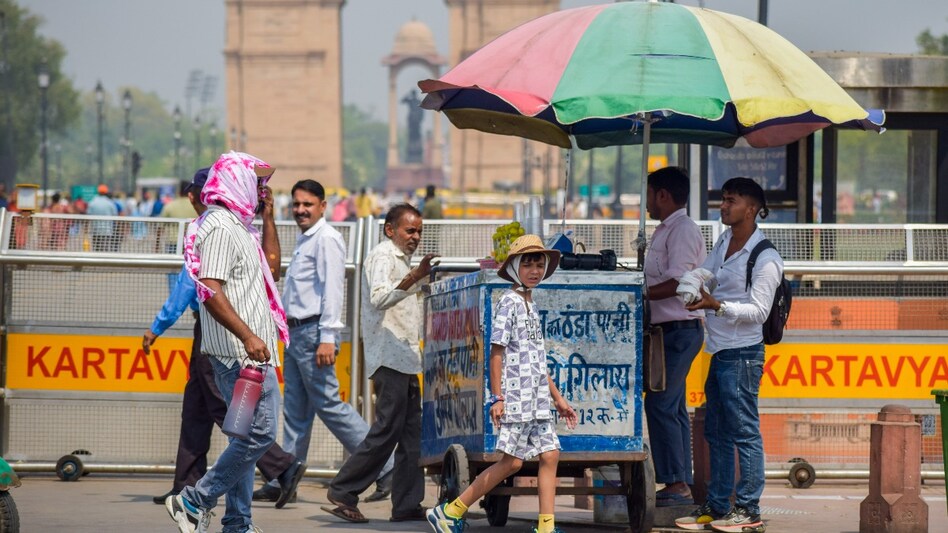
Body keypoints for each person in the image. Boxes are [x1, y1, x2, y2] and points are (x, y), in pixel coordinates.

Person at [147, 168, 305, 510]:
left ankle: (223, 509)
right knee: (246, 428)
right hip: (234, 344)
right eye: (257, 184)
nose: (262, 190)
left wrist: (268, 217)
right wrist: (247, 335)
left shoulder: (242, 229)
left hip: (244, 346)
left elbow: (273, 269)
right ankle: (195, 496)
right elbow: (203, 287)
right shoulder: (217, 228)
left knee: (220, 421)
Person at [253, 179, 394, 503]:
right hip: (296, 334)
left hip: (314, 333)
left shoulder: (327, 239)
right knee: (296, 412)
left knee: (330, 406)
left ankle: (386, 465)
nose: (301, 210)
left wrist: (328, 338)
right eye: (297, 204)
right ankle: (283, 476)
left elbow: (333, 290)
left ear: (323, 207)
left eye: (308, 204)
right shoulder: (306, 238)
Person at [427, 235, 578, 533]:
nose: (534, 271)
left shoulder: (530, 303)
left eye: (539, 264)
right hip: (516, 396)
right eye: (528, 264)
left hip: (537, 399)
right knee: (512, 464)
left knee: (550, 455)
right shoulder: (508, 302)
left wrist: (558, 399)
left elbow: (537, 360)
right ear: (514, 269)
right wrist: (497, 398)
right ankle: (450, 511)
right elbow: (496, 353)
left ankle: (546, 528)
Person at [674, 177, 782, 533]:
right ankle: (718, 506)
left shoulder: (765, 257)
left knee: (744, 432)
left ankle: (749, 510)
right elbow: (709, 270)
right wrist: (693, 282)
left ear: (750, 209)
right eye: (722, 199)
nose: (723, 206)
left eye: (730, 201)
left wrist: (715, 305)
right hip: (719, 351)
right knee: (717, 433)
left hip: (743, 355)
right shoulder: (724, 241)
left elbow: (759, 312)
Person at [322, 204, 438, 524]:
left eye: (418, 232)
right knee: (387, 429)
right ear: (390, 230)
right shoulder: (383, 256)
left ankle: (407, 503)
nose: (415, 237)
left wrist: (421, 282)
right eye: (409, 230)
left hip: (405, 357)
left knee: (412, 433)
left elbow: (405, 302)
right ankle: (344, 490)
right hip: (388, 356)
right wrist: (415, 277)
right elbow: (379, 297)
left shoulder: (402, 260)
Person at [643, 167, 707, 507]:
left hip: (679, 330)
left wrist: (639, 295)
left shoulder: (682, 230)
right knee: (674, 407)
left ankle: (675, 481)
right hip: (667, 331)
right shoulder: (665, 230)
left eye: (650, 194)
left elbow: (678, 281)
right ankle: (682, 480)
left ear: (663, 195)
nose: (647, 201)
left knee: (660, 402)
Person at [85, 184, 118, 252]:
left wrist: (86, 230)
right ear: (106, 192)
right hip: (107, 231)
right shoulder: (110, 203)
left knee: (96, 249)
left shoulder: (92, 202)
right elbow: (115, 216)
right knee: (105, 249)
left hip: (95, 230)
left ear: (98, 191)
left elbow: (88, 216)